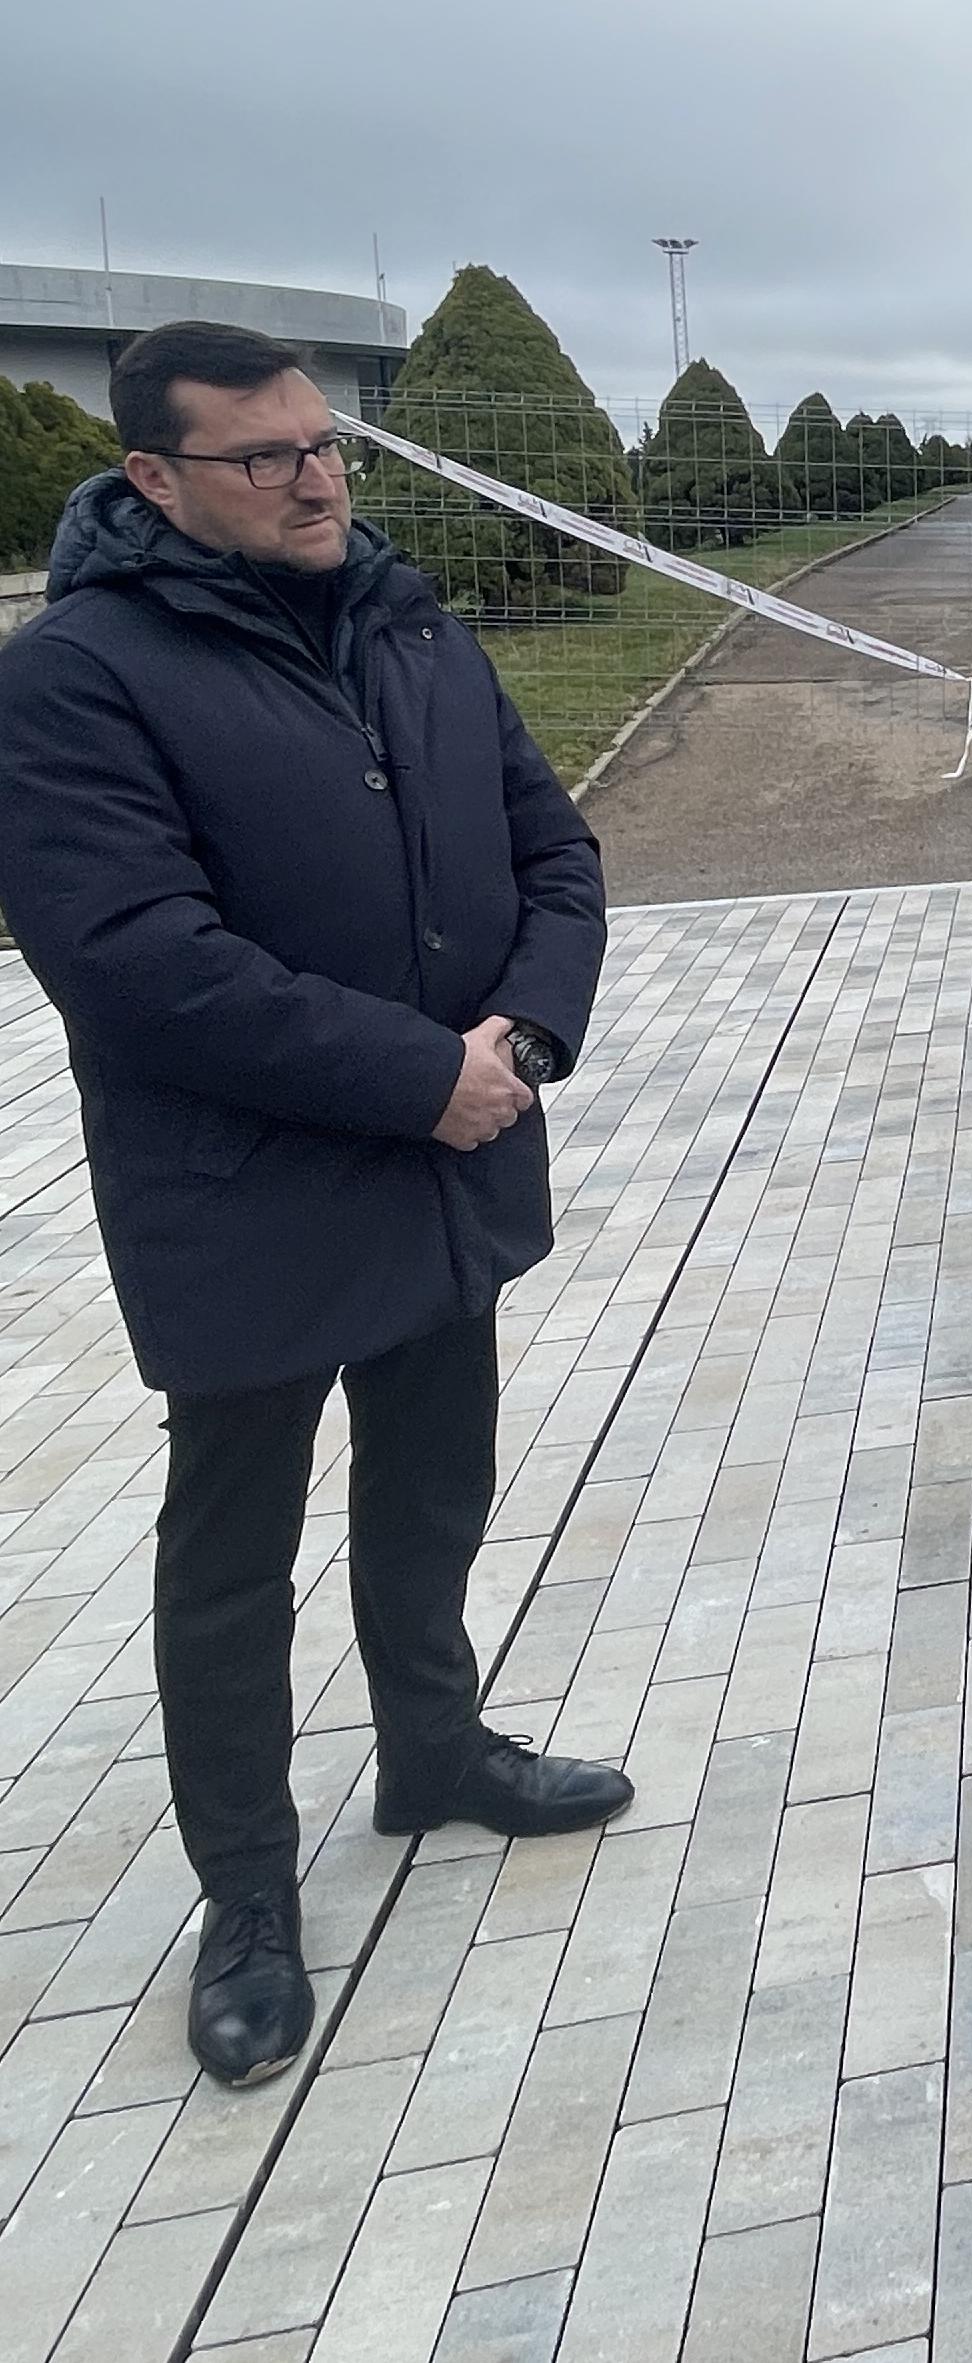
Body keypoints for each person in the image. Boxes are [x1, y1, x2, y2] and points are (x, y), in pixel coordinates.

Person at [0, 323, 631, 2088]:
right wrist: (418, 1073)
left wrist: (523, 1031)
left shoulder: (408, 622)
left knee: (434, 1482)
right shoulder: (77, 678)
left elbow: (555, 848)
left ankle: (434, 1749)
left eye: (324, 443)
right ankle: (249, 1895)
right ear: (153, 479)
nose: (314, 478)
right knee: (234, 1554)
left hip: (447, 1162)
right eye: (263, 456)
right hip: (249, 1196)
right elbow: (137, 960)